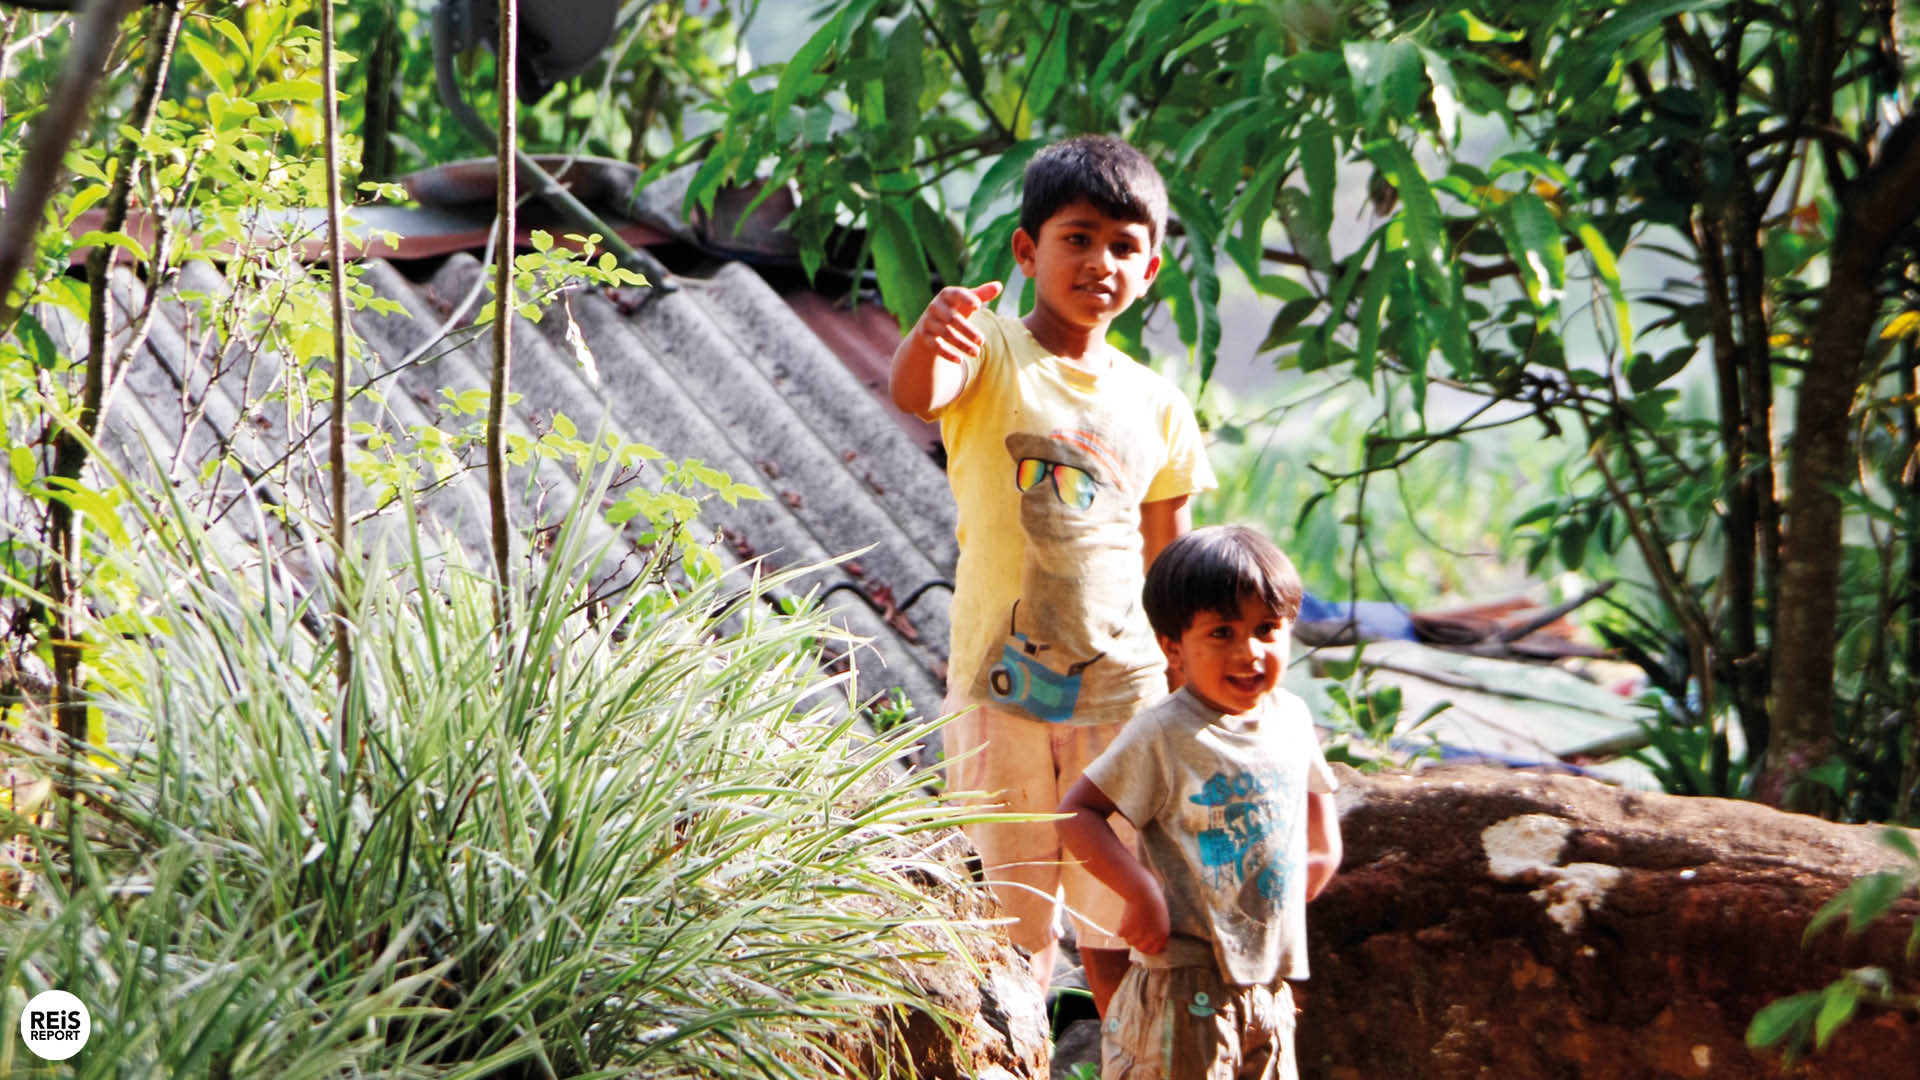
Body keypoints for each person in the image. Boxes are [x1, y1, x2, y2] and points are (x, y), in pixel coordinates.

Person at [889, 134, 1215, 1014]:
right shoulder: (989, 349)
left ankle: (1134, 1067)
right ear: (1028, 252)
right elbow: (920, 391)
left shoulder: (1158, 404)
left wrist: (1194, 684)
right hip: (1002, 689)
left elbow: (1171, 557)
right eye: (1077, 237)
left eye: (1123, 245)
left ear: (1149, 271)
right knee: (1010, 929)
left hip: (1126, 695)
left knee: (1128, 931)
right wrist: (933, 332)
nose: (1099, 261)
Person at [1057, 525, 1341, 1079]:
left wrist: (1323, 852)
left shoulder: (1291, 718)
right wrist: (1139, 892)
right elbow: (1079, 813)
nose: (1250, 653)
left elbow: (1313, 792)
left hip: (1268, 981)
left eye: (1266, 629)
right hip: (1181, 985)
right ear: (1173, 647)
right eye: (1222, 633)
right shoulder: (1162, 734)